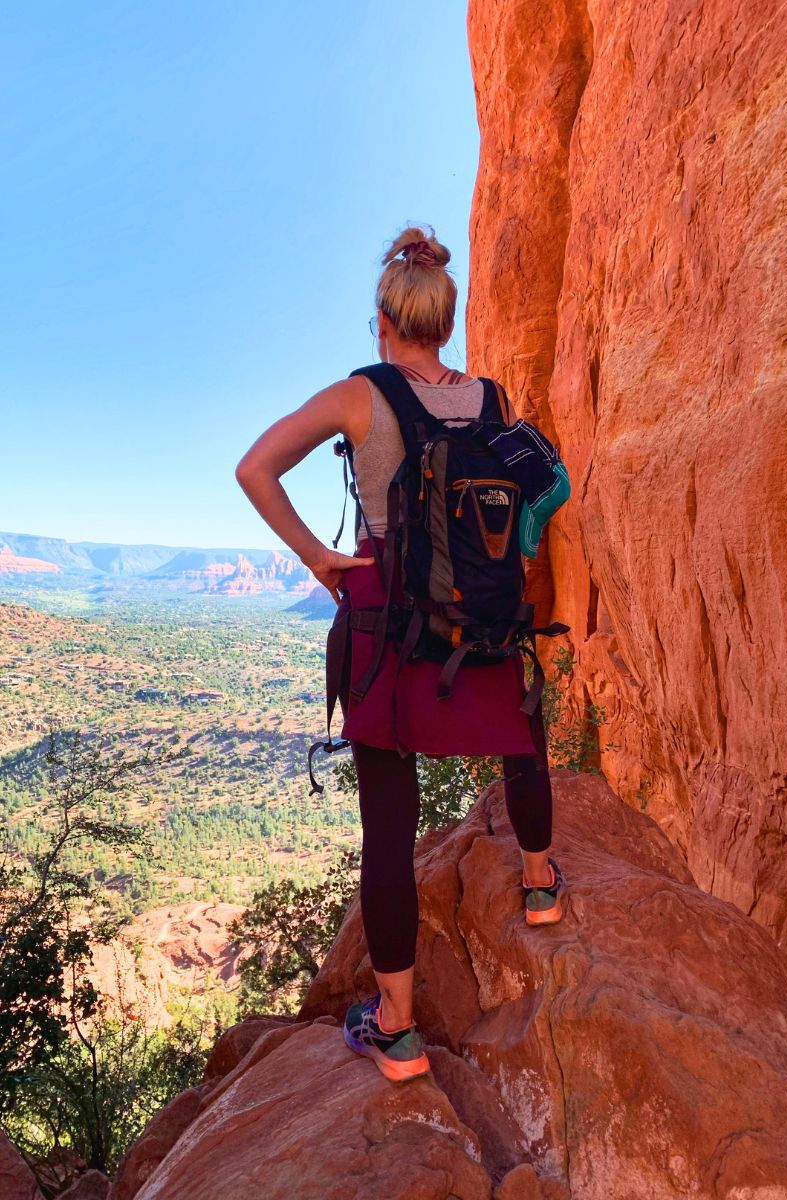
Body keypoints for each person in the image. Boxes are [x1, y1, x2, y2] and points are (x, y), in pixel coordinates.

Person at [235, 223, 564, 1085]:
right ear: (445, 324)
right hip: (482, 614)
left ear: (383, 321)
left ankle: (399, 1028)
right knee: (519, 732)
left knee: (388, 820)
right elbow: (538, 492)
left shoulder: (360, 395)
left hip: (391, 618)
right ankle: (539, 885)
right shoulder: (490, 399)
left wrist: (317, 555)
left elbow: (255, 468)